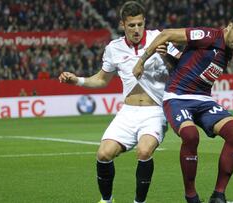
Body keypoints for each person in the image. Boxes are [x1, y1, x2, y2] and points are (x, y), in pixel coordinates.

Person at [58, 1, 179, 203]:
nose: (137, 29)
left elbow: (183, 65)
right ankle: (107, 200)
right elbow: (101, 79)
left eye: (140, 24)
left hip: (155, 111)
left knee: (144, 150)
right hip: (128, 112)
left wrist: (169, 58)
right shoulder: (113, 48)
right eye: (131, 25)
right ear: (123, 25)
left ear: (144, 22)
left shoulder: (160, 39)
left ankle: (139, 202)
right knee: (103, 154)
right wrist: (77, 80)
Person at [133, 12, 233, 203]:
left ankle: (218, 195)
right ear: (230, 25)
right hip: (177, 97)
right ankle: (191, 196)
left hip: (203, 100)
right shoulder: (209, 36)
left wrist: (172, 59)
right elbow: (166, 34)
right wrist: (142, 61)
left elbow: (188, 63)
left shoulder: (228, 50)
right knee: (191, 135)